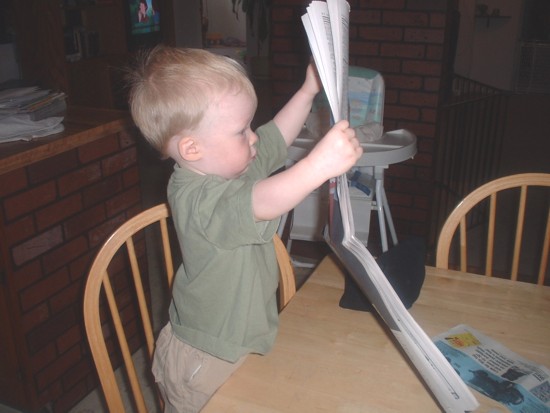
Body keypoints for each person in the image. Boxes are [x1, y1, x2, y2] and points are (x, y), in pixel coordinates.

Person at [127, 45, 362, 412]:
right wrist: (318, 166)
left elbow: (274, 138)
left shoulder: (227, 164)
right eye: (241, 131)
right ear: (192, 148)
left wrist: (307, 91)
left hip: (243, 338)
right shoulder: (197, 199)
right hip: (206, 358)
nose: (253, 138)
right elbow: (260, 201)